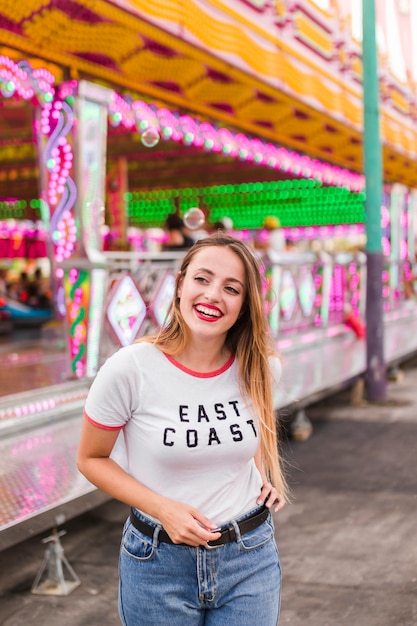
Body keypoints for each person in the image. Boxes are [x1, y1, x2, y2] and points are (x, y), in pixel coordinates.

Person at [77, 233, 288, 626]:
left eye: (231, 288)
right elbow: (90, 458)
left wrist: (262, 472)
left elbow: (248, 432)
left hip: (249, 556)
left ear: (244, 306)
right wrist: (164, 509)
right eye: (202, 279)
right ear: (178, 287)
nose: (213, 295)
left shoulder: (260, 367)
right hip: (158, 561)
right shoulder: (130, 368)